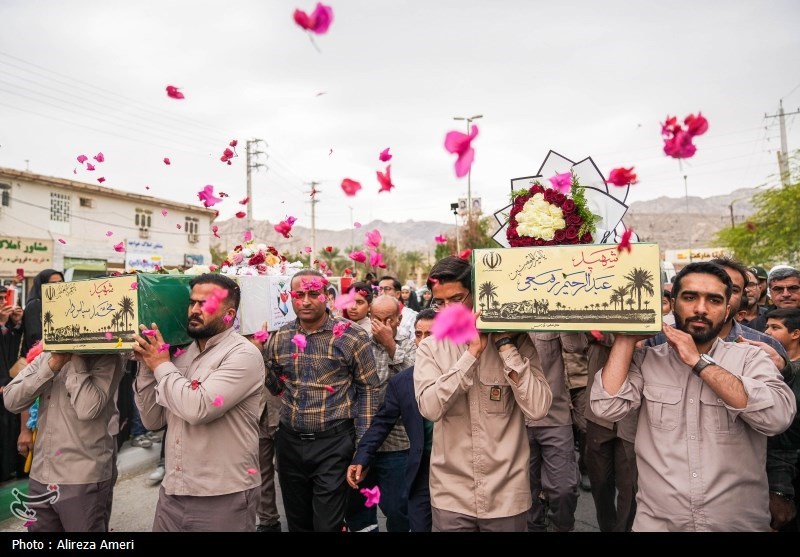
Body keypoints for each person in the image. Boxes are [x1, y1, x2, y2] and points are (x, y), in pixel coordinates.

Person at [590, 261, 797, 531]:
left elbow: (776, 418)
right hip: (659, 523)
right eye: (690, 297)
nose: (700, 308)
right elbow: (607, 408)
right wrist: (626, 338)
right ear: (673, 304)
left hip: (736, 524)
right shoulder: (647, 360)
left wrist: (699, 363)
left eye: (713, 300)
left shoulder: (753, 357)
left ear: (727, 311)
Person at [414, 256, 553, 532]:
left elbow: (538, 408)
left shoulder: (517, 341)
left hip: (506, 495)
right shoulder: (430, 347)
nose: (446, 311)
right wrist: (471, 355)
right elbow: (429, 408)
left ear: (478, 295)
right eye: (438, 303)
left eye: (455, 299)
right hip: (452, 496)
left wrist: (504, 345)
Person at [132, 273, 266, 532]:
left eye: (205, 305)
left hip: (223, 495)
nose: (194, 310)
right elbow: (153, 420)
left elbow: (197, 408)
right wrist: (147, 367)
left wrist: (160, 365)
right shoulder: (179, 355)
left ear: (229, 314)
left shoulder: (243, 355)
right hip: (174, 491)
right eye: (192, 303)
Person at [264, 269, 380, 532]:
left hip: (334, 444)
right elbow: (276, 386)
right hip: (290, 443)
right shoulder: (280, 337)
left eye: (313, 294)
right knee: (297, 522)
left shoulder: (351, 336)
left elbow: (369, 391)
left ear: (327, 296)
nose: (305, 301)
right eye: (298, 294)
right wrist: (260, 357)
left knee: (328, 524)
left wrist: (362, 450)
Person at [3, 351, 125, 532]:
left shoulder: (108, 357)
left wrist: (75, 358)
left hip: (81, 478)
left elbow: (87, 409)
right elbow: (11, 400)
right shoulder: (48, 356)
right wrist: (53, 364)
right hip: (41, 475)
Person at [347, 309, 437, 532]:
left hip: (455, 468)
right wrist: (362, 457)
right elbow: (382, 421)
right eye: (418, 334)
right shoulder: (403, 381)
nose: (423, 342)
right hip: (421, 466)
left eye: (431, 334)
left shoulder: (462, 372)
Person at [583, 332, 638, 532]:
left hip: (633, 417)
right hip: (599, 416)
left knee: (630, 487)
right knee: (600, 482)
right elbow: (575, 343)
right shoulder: (594, 320)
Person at [763, 308, 800, 531]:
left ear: (795, 333)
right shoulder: (768, 365)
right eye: (766, 326)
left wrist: (779, 488)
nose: (767, 332)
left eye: (775, 327)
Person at [0, 289, 25, 482]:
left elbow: (12, 346)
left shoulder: (6, 323)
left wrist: (15, 322)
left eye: (4, 298)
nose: (3, 302)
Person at [21, 269, 64, 355]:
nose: (57, 286)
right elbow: (35, 336)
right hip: (40, 358)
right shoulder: (35, 305)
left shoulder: (61, 303)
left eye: (60, 282)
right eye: (52, 283)